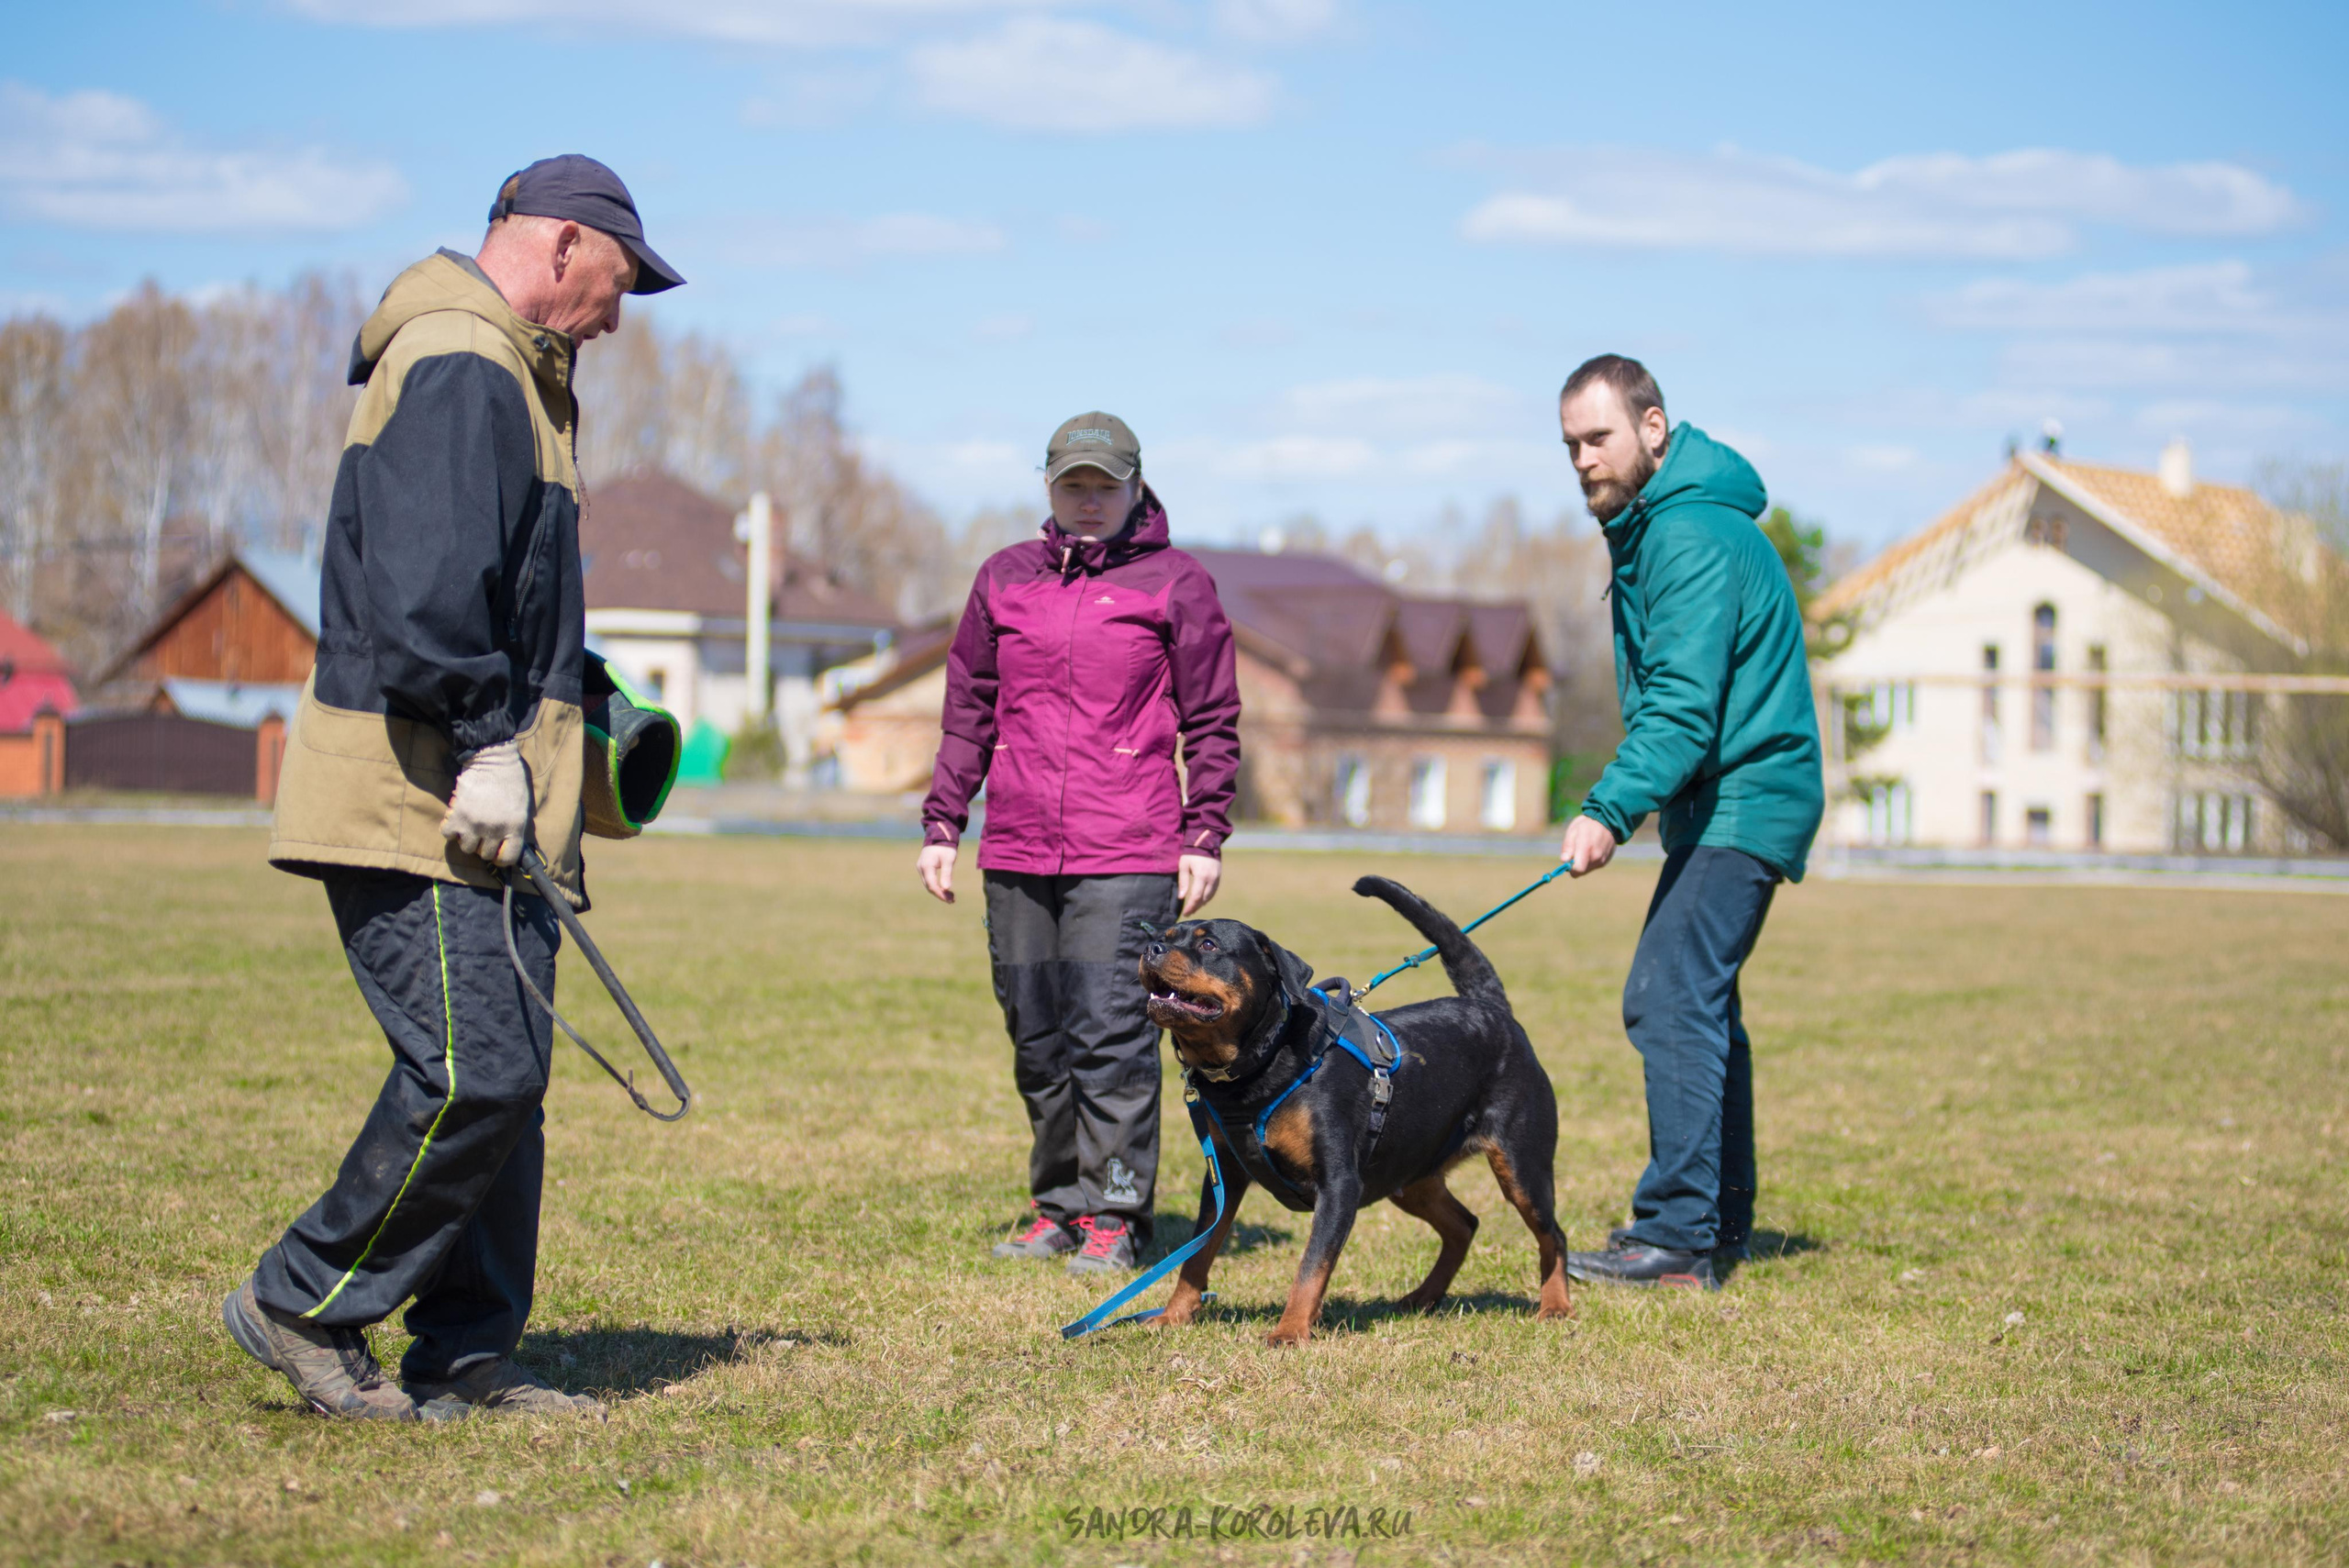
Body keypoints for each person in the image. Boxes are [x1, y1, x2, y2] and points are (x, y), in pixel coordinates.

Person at [225, 155, 685, 1419]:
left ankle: (468, 1359)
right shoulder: (463, 362)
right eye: (619, 277)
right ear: (557, 247)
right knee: (472, 1071)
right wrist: (489, 741)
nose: (621, 308)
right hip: (419, 789)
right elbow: (427, 593)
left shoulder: (513, 380)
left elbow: (501, 595)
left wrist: (582, 703)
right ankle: (302, 1298)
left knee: (511, 1083)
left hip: (482, 793)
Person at [918, 413, 1241, 1276]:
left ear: (1137, 487)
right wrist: (945, 818)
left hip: (1129, 846)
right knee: (1038, 1034)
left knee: (1111, 1034)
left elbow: (1212, 719)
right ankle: (1058, 1203)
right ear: (1048, 487)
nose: (1089, 500)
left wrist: (1204, 830)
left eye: (1105, 484)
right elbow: (969, 711)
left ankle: (1117, 1211)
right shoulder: (1004, 579)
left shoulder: (1177, 583)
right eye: (1073, 484)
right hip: (1018, 847)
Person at [1552, 355, 1823, 1293]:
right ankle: (1714, 1219)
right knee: (1697, 998)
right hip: (1726, 797)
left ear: (1654, 428)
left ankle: (1673, 1236)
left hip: (1747, 794)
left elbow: (1681, 710)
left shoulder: (1689, 535)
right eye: (1572, 445)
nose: (1585, 459)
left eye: (1601, 437)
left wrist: (1607, 808)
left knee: (1667, 991)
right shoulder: (1657, 527)